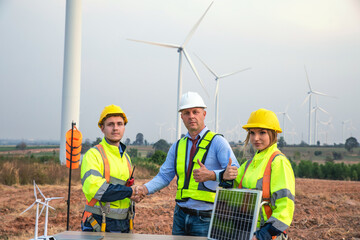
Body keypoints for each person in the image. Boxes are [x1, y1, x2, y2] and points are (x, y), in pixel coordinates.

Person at [137, 91, 240, 236]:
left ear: (204, 114)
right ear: (181, 117)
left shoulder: (218, 142)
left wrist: (212, 175)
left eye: (195, 112)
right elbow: (164, 177)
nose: (191, 116)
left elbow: (235, 172)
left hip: (206, 217)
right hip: (180, 215)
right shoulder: (177, 146)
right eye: (186, 113)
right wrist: (144, 189)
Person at [220, 108, 295, 240]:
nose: (256, 138)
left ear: (274, 134)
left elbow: (285, 208)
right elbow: (233, 194)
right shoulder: (249, 165)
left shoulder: (278, 162)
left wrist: (263, 235)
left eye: (262, 133)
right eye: (252, 133)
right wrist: (225, 178)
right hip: (245, 232)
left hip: (266, 235)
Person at [80, 104, 143, 233]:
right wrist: (130, 191)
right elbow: (97, 189)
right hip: (98, 224)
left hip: (124, 225)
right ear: (102, 128)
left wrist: (135, 193)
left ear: (124, 127)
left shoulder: (126, 158)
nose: (115, 128)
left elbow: (127, 190)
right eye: (110, 124)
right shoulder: (93, 155)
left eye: (120, 124)